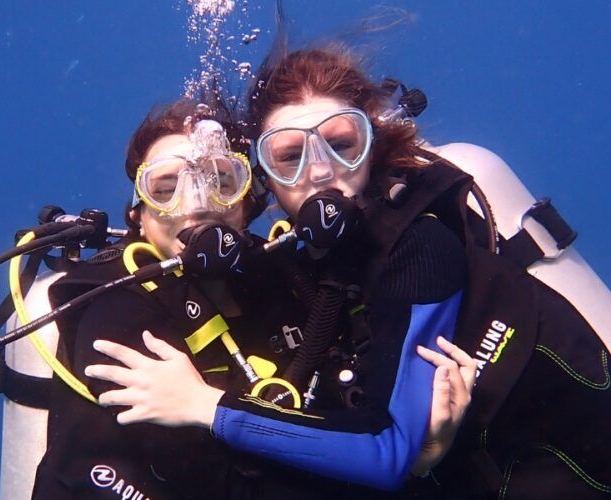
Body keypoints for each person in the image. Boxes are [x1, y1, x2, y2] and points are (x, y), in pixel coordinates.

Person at [87, 44, 611, 498]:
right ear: (265, 184)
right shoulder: (313, 266)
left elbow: (385, 453)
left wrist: (204, 406)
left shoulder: (419, 246)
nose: (319, 172)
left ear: (373, 146)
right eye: (288, 155)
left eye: (341, 144)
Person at [31, 96, 475, 499]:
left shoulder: (287, 286)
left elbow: (346, 425)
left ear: (249, 205)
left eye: (222, 182)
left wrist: (410, 448)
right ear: (138, 217)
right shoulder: (117, 313)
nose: (197, 204)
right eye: (165, 188)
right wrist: (408, 461)